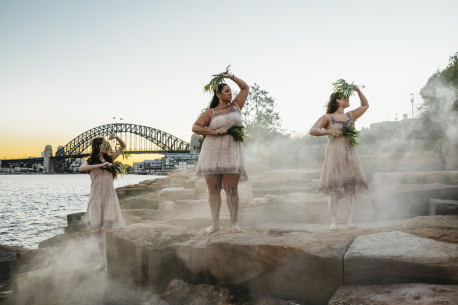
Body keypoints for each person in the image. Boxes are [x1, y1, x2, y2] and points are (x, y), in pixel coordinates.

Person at [192, 72, 249, 234]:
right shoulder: (211, 112)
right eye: (226, 91)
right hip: (212, 152)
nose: (230, 93)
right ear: (218, 94)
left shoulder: (236, 106)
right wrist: (214, 132)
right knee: (213, 189)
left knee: (232, 189)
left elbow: (245, 88)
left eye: (230, 90)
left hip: (232, 152)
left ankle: (234, 224)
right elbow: (195, 127)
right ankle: (215, 224)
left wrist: (231, 77)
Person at [309, 85, 369, 229]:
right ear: (337, 101)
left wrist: (358, 90)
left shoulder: (350, 116)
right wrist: (328, 132)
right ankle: (333, 222)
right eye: (344, 97)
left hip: (350, 152)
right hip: (334, 153)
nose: (347, 99)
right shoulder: (327, 117)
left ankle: (349, 221)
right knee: (334, 189)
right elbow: (313, 130)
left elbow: (365, 105)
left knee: (351, 188)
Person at [79, 134, 126, 270]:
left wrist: (116, 137)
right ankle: (102, 262)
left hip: (109, 198)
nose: (107, 146)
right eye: (105, 144)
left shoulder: (110, 158)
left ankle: (111, 261)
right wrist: (101, 164)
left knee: (108, 232)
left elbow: (123, 147)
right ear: (98, 146)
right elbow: (81, 169)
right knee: (97, 232)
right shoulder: (91, 161)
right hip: (96, 198)